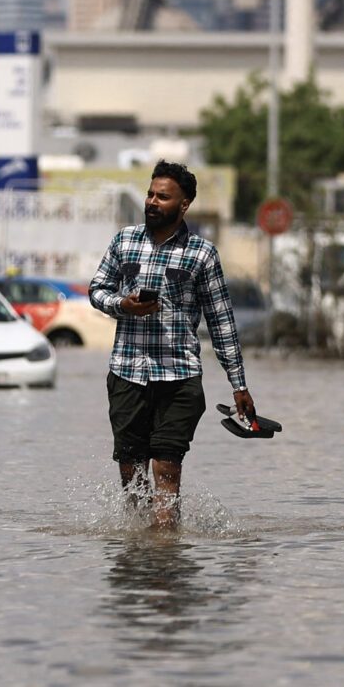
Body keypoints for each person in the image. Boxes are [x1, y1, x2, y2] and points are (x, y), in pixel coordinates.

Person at [89, 161, 256, 530]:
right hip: (127, 373)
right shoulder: (124, 241)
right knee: (132, 476)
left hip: (179, 378)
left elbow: (221, 321)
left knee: (166, 468)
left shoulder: (202, 254)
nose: (152, 202)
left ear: (184, 205)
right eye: (150, 194)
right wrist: (123, 305)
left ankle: (165, 556)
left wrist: (238, 383)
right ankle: (136, 553)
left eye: (162, 197)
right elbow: (96, 290)